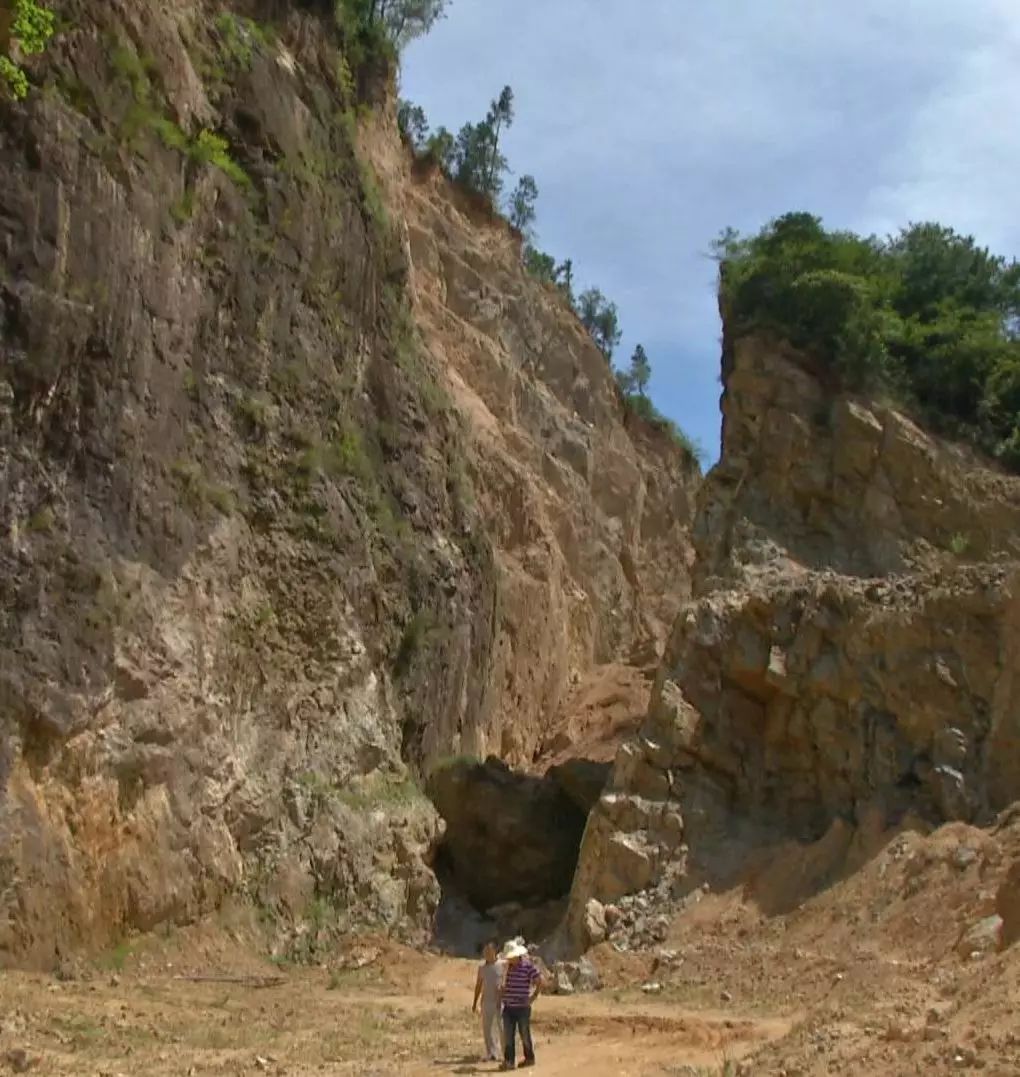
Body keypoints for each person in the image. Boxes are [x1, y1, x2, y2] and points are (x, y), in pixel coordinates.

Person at [498, 940, 541, 1070]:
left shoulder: (528, 967)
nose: (509, 959)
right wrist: (503, 991)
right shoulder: (508, 968)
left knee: (524, 1033)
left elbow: (539, 981)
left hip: (522, 1008)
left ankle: (529, 1058)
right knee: (508, 1035)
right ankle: (509, 1061)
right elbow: (506, 984)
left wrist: (533, 997)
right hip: (508, 1007)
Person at [471, 940, 504, 1062]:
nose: (487, 953)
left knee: (502, 1028)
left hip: (500, 1001)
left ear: (495, 951)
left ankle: (506, 1053)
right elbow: (478, 985)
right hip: (486, 1001)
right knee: (487, 1029)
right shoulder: (482, 968)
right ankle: (491, 1053)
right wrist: (475, 1002)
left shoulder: (503, 965)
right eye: (485, 951)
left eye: (489, 951)